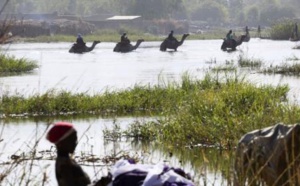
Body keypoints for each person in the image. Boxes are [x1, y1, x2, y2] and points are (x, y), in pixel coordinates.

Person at [46, 122, 107, 186]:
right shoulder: (65, 166)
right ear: (60, 143)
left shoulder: (66, 161)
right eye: (72, 140)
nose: (75, 143)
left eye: (75, 140)